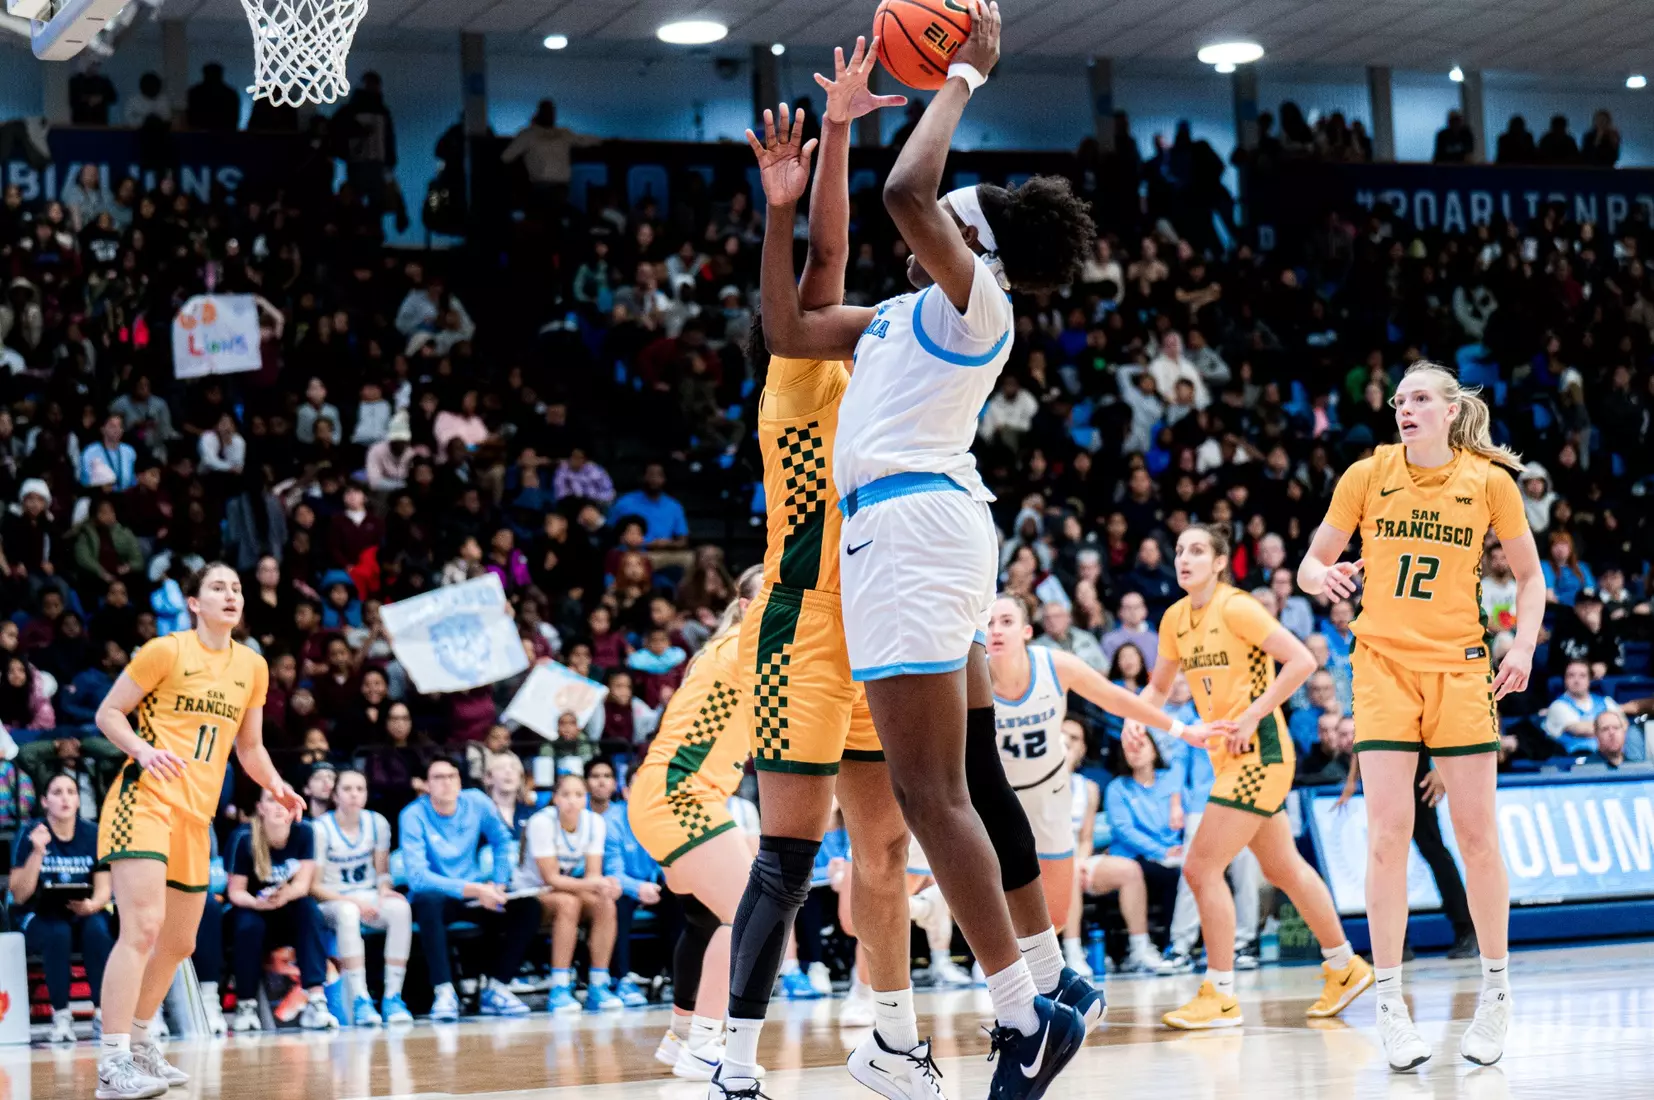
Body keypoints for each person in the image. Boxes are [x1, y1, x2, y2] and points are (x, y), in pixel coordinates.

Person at [747, 9, 1099, 1095]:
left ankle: (1023, 1014)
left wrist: (961, 78)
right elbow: (791, 326)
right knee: (959, 779)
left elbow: (909, 191)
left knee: (929, 791)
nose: (930, 214)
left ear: (972, 245)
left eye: (950, 216)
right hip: (920, 530)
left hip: (906, 530)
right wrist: (790, 199)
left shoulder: (973, 307)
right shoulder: (903, 318)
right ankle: (1048, 983)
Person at [715, 39, 952, 1100]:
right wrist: (831, 146)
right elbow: (826, 254)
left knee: (886, 849)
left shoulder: (885, 370)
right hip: (799, 628)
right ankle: (732, 1059)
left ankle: (891, 1042)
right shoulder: (799, 364)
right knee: (789, 855)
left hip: (878, 626)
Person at [1298, 361, 1543, 1071]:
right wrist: (1323, 575)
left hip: (1462, 669)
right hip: (1381, 667)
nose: (1404, 409)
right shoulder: (1366, 475)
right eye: (1399, 400)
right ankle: (1390, 1005)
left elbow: (1532, 577)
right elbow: (1312, 564)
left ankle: (1496, 993)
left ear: (1449, 409)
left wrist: (1523, 645)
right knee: (1386, 837)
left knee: (1477, 837)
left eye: (1419, 399)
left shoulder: (1488, 482)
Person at [1142, 524, 1370, 1031]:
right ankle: (1345, 965)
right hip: (1226, 757)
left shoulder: (1237, 607)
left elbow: (1302, 661)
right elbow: (1157, 688)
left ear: (1220, 562)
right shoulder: (1175, 618)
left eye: (1197, 550)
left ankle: (1220, 994)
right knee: (1283, 868)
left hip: (1260, 752)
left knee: (1200, 868)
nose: (1184, 559)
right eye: (1179, 551)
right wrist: (1138, 722)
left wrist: (1250, 715)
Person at [93, 562, 303, 1098]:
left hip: (195, 816)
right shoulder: (165, 651)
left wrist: (277, 785)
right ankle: (112, 1060)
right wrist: (142, 750)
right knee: (142, 927)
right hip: (143, 799)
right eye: (217, 587)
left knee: (180, 941)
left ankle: (142, 1040)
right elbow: (108, 713)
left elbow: (249, 748)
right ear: (194, 602)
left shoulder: (252, 666)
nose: (230, 595)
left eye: (236, 588)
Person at [985, 594, 1225, 970]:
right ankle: (1006, 973)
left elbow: (1115, 698)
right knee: (996, 899)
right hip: (1003, 800)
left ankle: (1040, 965)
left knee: (1057, 915)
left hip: (1051, 794)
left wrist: (1180, 730)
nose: (996, 631)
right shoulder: (972, 678)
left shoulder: (1054, 665)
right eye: (989, 623)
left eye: (1006, 622)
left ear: (1027, 631)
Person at [632, 568, 766, 1077]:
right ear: (746, 607)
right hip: (680, 794)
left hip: (674, 792)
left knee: (707, 919)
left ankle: (682, 1033)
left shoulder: (726, 648)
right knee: (749, 915)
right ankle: (705, 1045)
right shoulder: (745, 647)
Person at [398, 756, 539, 1021]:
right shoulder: (413, 815)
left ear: (460, 781)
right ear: (426, 785)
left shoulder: (476, 802)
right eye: (438, 778)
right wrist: (475, 889)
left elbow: (502, 841)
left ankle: (497, 987)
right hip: (440, 897)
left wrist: (498, 883)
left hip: (476, 895)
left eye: (452, 776)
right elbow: (418, 878)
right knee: (428, 901)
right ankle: (444, 991)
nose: (446, 783)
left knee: (528, 907)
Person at [226, 788, 338, 1032]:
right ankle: (246, 1005)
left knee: (309, 910)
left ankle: (316, 1000)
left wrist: (284, 895)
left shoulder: (304, 831)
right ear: (260, 808)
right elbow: (236, 892)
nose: (279, 806)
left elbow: (302, 885)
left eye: (285, 802)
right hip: (252, 908)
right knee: (249, 925)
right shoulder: (244, 837)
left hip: (285, 907)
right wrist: (258, 903)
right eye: (271, 800)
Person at [11, 773, 112, 1043]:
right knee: (58, 933)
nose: (65, 798)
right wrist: (37, 852)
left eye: (71, 792)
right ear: (45, 801)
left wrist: (92, 904)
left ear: (78, 800)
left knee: (98, 929)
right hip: (39, 914)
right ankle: (61, 1016)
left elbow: (104, 886)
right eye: (57, 792)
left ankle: (103, 1014)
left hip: (83, 911)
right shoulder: (30, 833)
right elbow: (19, 894)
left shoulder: (93, 833)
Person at [312, 769, 414, 1026]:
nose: (354, 794)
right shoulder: (321, 828)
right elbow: (313, 886)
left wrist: (385, 890)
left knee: (400, 909)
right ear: (335, 796)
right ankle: (361, 999)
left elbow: (382, 874)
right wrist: (354, 902)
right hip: (332, 900)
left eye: (360, 789)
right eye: (347, 789)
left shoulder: (377, 823)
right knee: (348, 913)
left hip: (367, 895)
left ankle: (393, 998)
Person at [523, 772, 622, 1013]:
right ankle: (559, 988)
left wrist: (606, 885)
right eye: (566, 795)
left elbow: (592, 875)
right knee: (568, 904)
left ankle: (598, 985)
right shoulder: (541, 822)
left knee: (605, 903)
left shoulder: (594, 822)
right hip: (529, 892)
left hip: (569, 889)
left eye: (578, 795)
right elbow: (551, 879)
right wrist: (597, 884)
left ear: (585, 798)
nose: (572, 801)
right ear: (555, 798)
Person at [1544, 660, 1621, 753]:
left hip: (1605, 757)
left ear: (1590, 679)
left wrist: (1603, 729)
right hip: (1574, 759)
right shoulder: (1557, 706)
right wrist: (1612, 728)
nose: (1577, 680)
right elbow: (1580, 729)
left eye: (1582, 676)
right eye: (1571, 675)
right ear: (1565, 680)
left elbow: (1623, 724)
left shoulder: (1606, 701)